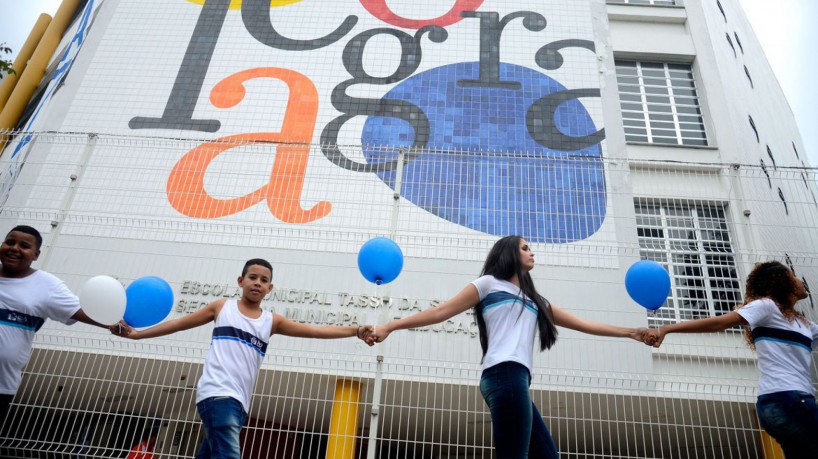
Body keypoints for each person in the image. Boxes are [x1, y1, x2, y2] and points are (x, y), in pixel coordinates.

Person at [368, 235, 652, 458]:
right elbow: (441, 311)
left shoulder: (535, 300)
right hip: (505, 375)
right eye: (525, 248)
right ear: (509, 254)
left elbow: (584, 324)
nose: (532, 252)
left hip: (515, 381)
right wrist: (390, 326)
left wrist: (633, 333)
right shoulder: (488, 284)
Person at [112, 258, 374, 459]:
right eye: (252, 277)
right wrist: (138, 335)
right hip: (217, 394)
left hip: (239, 404)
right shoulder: (221, 307)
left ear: (270, 288)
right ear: (241, 280)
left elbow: (316, 330)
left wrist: (355, 330)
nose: (257, 283)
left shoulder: (271, 321)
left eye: (263, 280)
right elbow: (180, 323)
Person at [649, 260, 817, 458]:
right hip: (789, 399)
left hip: (777, 404)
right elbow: (719, 323)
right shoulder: (767, 307)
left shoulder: (805, 325)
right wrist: (666, 329)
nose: (800, 280)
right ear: (784, 282)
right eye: (793, 275)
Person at [0, 225, 111, 421]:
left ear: (36, 254)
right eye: (9, 242)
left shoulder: (46, 285)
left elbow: (80, 311)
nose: (14, 248)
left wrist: (116, 323)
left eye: (24, 246)